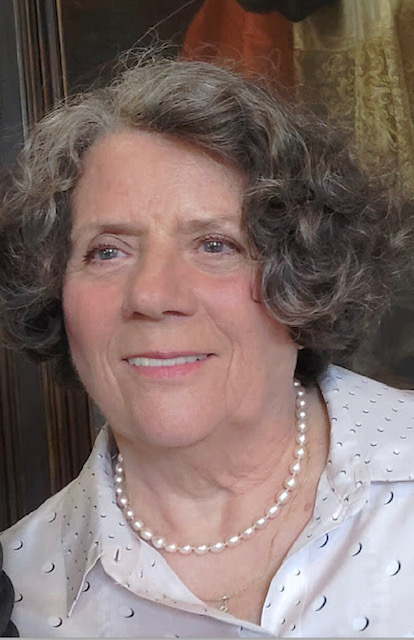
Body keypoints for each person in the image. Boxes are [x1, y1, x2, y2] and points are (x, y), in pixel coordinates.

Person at [0, 51, 413, 638]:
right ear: (55, 289)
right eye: (107, 251)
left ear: (306, 276)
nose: (152, 294)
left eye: (215, 245)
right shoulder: (20, 589)